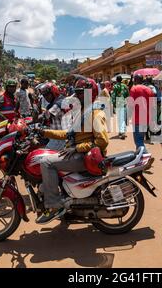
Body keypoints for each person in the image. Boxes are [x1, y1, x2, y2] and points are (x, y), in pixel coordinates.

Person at [36, 78, 109, 224]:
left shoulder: (95, 113)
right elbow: (68, 134)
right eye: (76, 93)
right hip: (77, 152)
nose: (77, 97)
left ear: (90, 94)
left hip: (85, 157)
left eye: (81, 94)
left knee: (45, 162)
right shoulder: (82, 111)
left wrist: (77, 148)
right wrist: (44, 132)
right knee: (45, 155)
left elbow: (102, 141)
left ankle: (54, 206)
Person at [128, 74, 155, 153]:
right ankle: (140, 159)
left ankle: (146, 155)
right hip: (146, 118)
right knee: (141, 139)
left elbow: (130, 104)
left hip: (137, 118)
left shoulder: (134, 89)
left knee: (139, 141)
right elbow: (153, 106)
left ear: (135, 80)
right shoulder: (149, 90)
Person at [38, 82, 67, 151]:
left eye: (47, 94)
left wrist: (31, 121)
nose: (46, 97)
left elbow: (46, 116)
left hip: (61, 138)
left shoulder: (58, 103)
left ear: (54, 92)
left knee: (43, 157)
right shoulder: (54, 103)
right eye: (44, 95)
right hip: (57, 136)